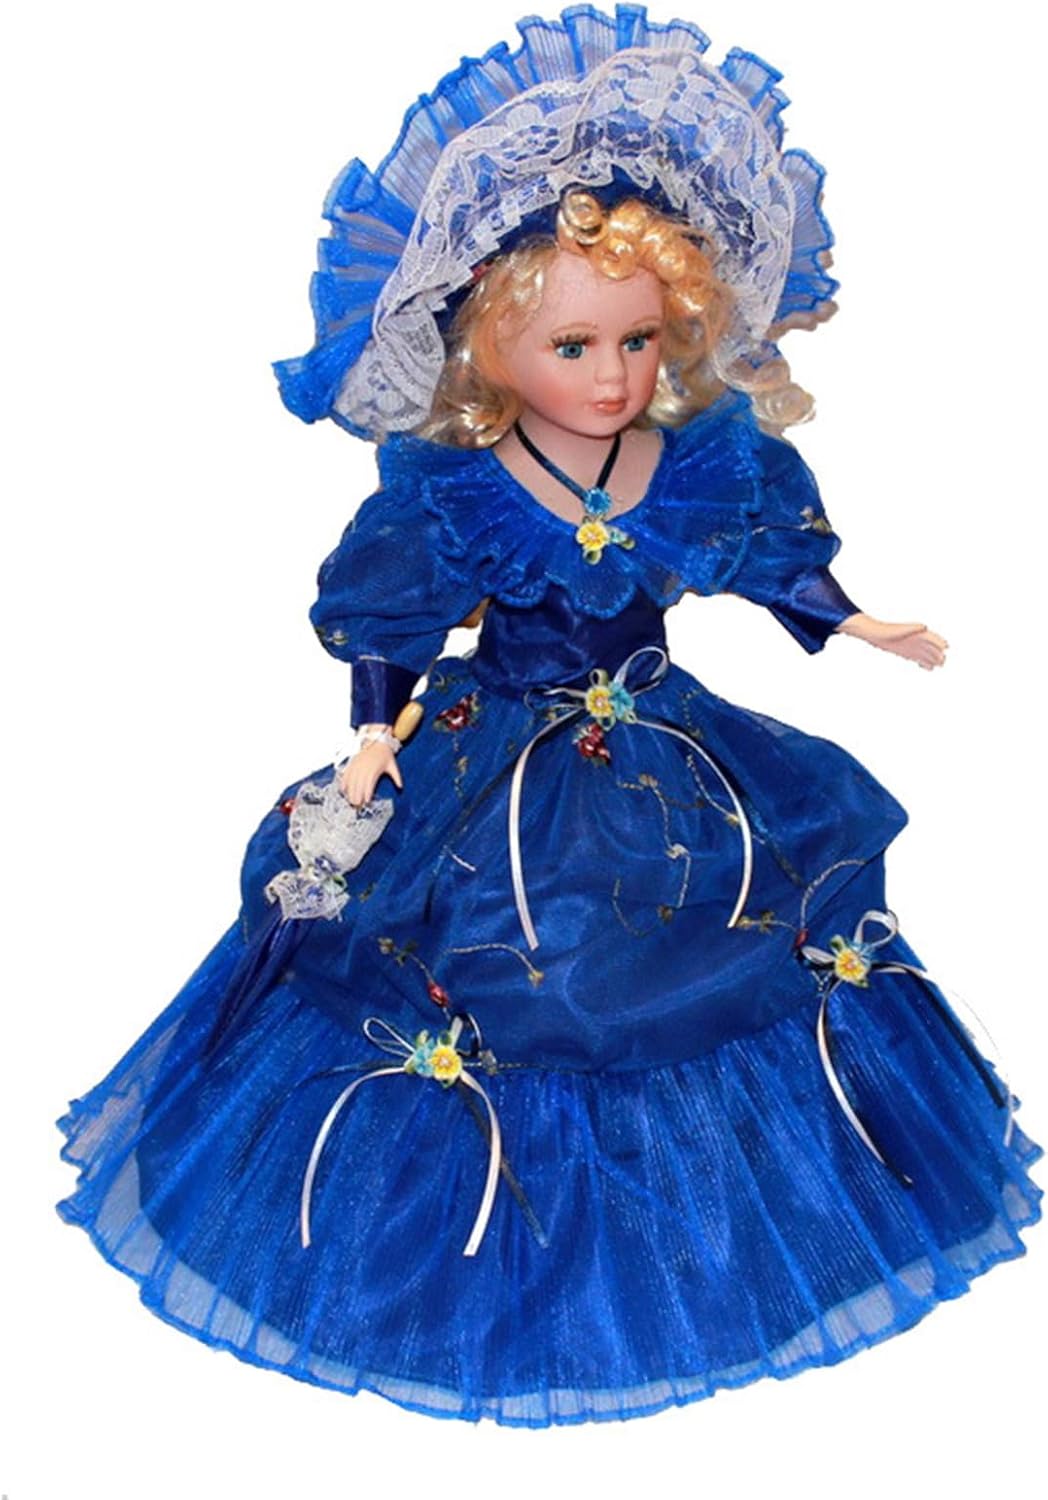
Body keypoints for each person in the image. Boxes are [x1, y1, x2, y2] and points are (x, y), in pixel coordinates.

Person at [55, 4, 1041, 1428]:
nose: (613, 375)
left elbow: (761, 556)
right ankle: (476, 1256)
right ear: (486, 345)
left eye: (638, 340)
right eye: (572, 344)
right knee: (481, 966)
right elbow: (395, 614)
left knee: (714, 950)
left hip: (673, 757)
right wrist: (377, 733)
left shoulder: (692, 463)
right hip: (495, 760)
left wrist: (855, 620)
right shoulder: (456, 486)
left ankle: (693, 1235)